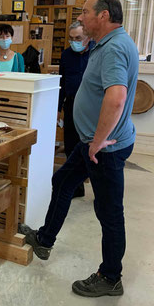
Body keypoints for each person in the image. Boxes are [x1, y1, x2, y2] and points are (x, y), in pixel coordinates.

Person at [19, 0, 138, 298]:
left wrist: (98, 142)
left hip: (104, 148)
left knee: (109, 212)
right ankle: (44, 240)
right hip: (91, 143)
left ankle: (111, 276)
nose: (81, 18)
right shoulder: (105, 44)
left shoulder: (113, 49)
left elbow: (117, 97)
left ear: (104, 16)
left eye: (86, 12)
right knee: (62, 181)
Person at [58, 21, 94, 198]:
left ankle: (97, 186)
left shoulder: (97, 52)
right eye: (71, 39)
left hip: (91, 106)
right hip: (71, 104)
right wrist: (58, 109)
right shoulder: (66, 55)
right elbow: (62, 83)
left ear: (87, 37)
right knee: (71, 145)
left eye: (78, 38)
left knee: (91, 146)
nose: (74, 42)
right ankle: (76, 187)